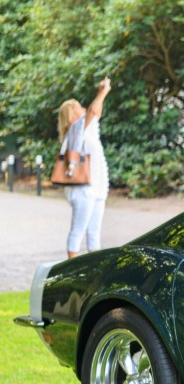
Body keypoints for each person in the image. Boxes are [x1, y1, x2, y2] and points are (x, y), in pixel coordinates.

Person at [57, 77, 111, 259]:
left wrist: (100, 93)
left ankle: (94, 274)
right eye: (77, 107)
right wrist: (103, 92)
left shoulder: (87, 129)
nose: (82, 108)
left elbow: (96, 113)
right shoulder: (74, 129)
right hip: (83, 189)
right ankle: (71, 269)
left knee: (94, 233)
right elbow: (92, 111)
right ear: (71, 115)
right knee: (78, 230)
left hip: (96, 187)